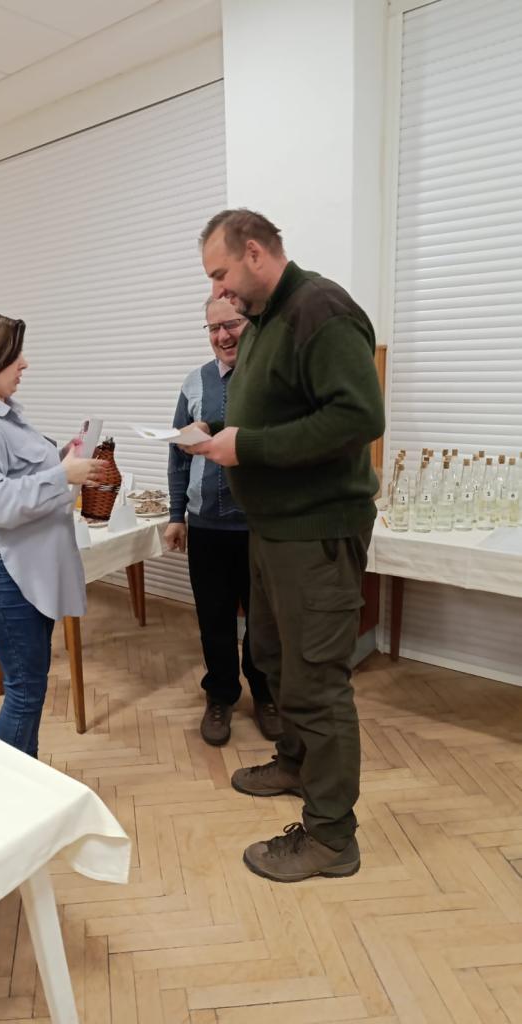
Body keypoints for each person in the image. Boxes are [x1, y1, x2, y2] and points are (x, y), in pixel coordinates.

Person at [193, 208, 385, 883]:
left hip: (316, 533)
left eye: (221, 272)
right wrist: (220, 435)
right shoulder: (267, 318)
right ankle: (298, 765)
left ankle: (331, 837)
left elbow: (358, 416)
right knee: (274, 660)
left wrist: (245, 446)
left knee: (317, 683)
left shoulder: (319, 309)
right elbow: (277, 412)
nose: (219, 289)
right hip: (273, 530)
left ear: (254, 252)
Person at [0, 312, 104, 757]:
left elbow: (15, 474)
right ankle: (12, 786)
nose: (24, 363)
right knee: (25, 689)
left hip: (20, 568)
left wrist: (63, 458)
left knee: (29, 685)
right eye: (16, 355)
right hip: (4, 572)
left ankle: (20, 780)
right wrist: (62, 475)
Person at [165, 296, 281, 747]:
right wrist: (176, 515)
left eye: (231, 324)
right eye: (213, 328)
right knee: (213, 618)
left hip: (259, 527)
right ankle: (220, 695)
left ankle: (266, 693)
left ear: (250, 323)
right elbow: (177, 454)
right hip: (206, 527)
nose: (222, 336)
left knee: (264, 622)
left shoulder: (272, 377)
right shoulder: (193, 382)